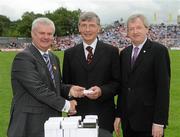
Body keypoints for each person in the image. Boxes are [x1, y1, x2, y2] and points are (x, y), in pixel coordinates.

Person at [7, 17, 84, 137]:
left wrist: (70, 90)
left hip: (51, 123)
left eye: (50, 34)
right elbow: (38, 89)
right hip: (29, 124)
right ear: (32, 34)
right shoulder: (23, 58)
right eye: (42, 33)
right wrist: (67, 105)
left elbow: (55, 85)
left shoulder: (53, 58)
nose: (46, 37)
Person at [62, 11, 120, 136]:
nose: (87, 29)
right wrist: (70, 102)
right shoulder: (69, 54)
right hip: (77, 115)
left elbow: (117, 83)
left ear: (99, 28)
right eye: (83, 25)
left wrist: (101, 91)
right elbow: (65, 85)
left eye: (92, 25)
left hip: (104, 116)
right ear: (79, 28)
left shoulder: (112, 52)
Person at [114, 14, 171, 137]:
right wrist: (119, 115)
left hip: (149, 123)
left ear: (147, 29)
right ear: (127, 32)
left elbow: (163, 89)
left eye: (139, 27)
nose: (135, 31)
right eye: (131, 29)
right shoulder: (124, 53)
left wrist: (159, 122)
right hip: (128, 123)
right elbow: (124, 88)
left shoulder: (159, 51)